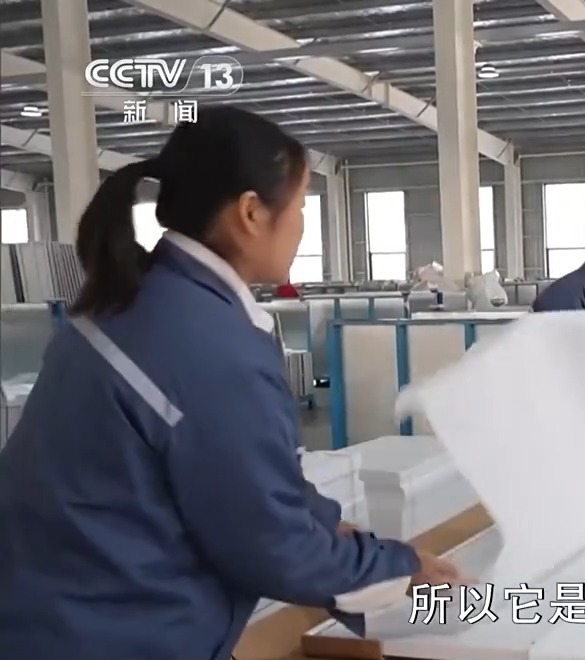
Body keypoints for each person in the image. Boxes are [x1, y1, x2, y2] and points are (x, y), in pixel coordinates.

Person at [0, 107, 461, 660]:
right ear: (250, 212)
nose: (301, 225)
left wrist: (342, 536)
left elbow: (251, 486)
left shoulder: (138, 300)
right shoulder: (206, 344)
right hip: (110, 634)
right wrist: (400, 569)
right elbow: (273, 545)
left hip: (55, 615)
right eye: (300, 206)